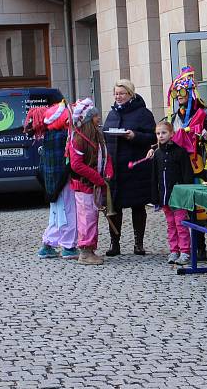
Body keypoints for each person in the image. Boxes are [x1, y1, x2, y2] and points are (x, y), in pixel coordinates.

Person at [168, 66, 207, 261]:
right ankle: (199, 245)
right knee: (194, 204)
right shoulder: (175, 117)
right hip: (189, 164)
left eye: (182, 92)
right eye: (176, 93)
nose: (179, 96)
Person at [102, 79, 156, 257]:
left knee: (137, 206)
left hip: (136, 168)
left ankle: (138, 244)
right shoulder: (111, 114)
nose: (118, 96)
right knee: (114, 206)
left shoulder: (143, 113)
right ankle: (114, 243)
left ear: (130, 94)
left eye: (122, 93)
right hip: (115, 169)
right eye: (116, 93)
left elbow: (152, 137)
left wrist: (134, 136)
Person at [25, 100, 79, 260]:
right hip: (64, 181)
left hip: (52, 183)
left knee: (56, 213)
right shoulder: (64, 136)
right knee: (68, 213)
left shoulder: (49, 135)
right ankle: (69, 246)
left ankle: (48, 244)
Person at [69, 98, 108, 265]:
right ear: (87, 119)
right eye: (95, 115)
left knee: (91, 216)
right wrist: (97, 178)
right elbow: (76, 165)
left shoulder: (94, 135)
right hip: (85, 185)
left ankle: (89, 249)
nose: (98, 118)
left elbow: (103, 155)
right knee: (87, 218)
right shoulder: (79, 138)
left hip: (92, 184)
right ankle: (85, 252)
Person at [150, 121, 194, 265]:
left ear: (172, 134)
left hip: (179, 197)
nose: (160, 136)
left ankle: (185, 251)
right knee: (171, 225)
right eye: (158, 133)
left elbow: (187, 175)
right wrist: (155, 196)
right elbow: (154, 177)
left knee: (181, 225)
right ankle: (174, 250)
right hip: (164, 197)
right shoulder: (157, 154)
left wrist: (186, 194)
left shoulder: (180, 152)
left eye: (164, 133)